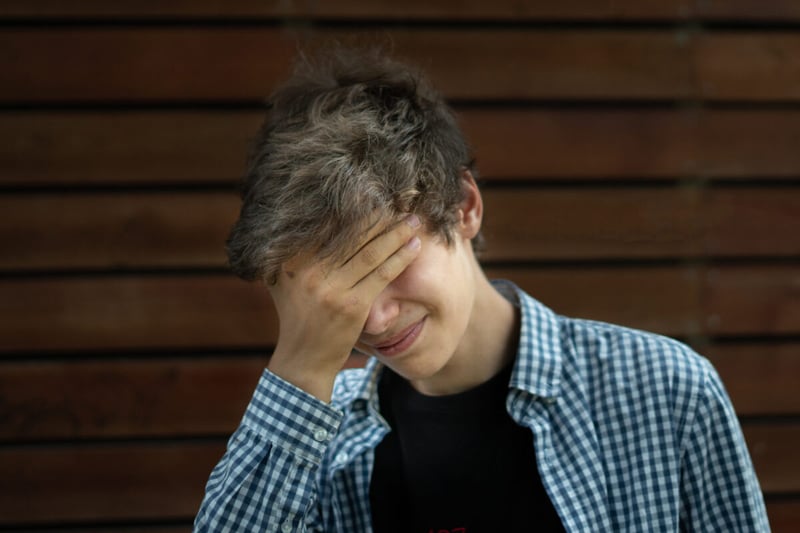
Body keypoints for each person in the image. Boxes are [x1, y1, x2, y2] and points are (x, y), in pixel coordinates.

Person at [194, 47, 769, 532]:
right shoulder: (311, 441)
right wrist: (298, 369)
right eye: (336, 291)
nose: (374, 318)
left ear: (464, 207)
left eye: (383, 263)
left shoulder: (665, 391)